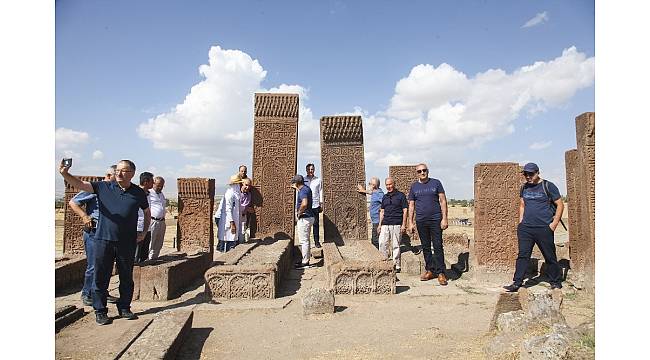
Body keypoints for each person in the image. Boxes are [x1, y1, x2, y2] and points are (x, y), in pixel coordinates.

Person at [59, 159, 150, 325]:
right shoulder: (103, 187)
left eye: (124, 171)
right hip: (103, 239)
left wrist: (144, 232)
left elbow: (146, 212)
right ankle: (100, 311)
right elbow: (80, 184)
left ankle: (124, 307)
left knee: (126, 277)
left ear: (132, 173)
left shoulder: (138, 192)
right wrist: (65, 173)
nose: (119, 173)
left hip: (126, 242)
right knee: (101, 276)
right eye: (118, 171)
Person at [504, 163, 565, 292]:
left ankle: (555, 281)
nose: (528, 176)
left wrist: (554, 224)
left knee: (549, 256)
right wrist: (521, 222)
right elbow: (522, 204)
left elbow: (560, 204)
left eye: (531, 174)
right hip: (526, 228)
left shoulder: (548, 186)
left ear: (538, 173)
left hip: (544, 227)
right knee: (523, 255)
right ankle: (517, 282)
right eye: (525, 174)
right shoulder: (524, 187)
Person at [68, 165, 118, 306]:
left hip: (107, 232)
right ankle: (87, 293)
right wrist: (84, 215)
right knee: (94, 264)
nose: (109, 178)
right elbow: (73, 202)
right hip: (94, 231)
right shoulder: (96, 188)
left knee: (107, 264)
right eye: (110, 176)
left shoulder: (115, 191)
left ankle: (102, 292)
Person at [408, 163, 449, 286]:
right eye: (419, 171)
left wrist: (445, 218)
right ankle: (430, 270)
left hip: (435, 219)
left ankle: (441, 272)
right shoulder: (414, 186)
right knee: (425, 246)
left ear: (428, 171)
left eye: (424, 170)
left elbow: (443, 200)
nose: (422, 173)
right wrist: (410, 222)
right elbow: (411, 205)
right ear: (417, 173)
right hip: (421, 220)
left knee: (437, 245)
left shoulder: (436, 183)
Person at [377, 177, 408, 273]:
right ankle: (384, 262)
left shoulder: (401, 196)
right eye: (387, 185)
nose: (388, 186)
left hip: (396, 223)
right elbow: (382, 211)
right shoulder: (385, 197)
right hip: (385, 223)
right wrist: (379, 224)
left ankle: (396, 264)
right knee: (382, 243)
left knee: (396, 245)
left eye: (390, 184)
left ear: (394, 184)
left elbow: (405, 210)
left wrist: (404, 224)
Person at [292, 175, 315, 269]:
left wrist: (299, 212)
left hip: (304, 218)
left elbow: (304, 203)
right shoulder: (306, 189)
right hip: (309, 217)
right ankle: (305, 259)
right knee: (306, 240)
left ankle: (305, 263)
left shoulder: (303, 192)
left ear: (297, 183)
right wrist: (297, 189)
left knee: (304, 241)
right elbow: (303, 194)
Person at [217, 174, 243, 252]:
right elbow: (228, 209)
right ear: (235, 184)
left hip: (234, 220)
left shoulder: (236, 194)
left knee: (232, 241)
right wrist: (232, 223)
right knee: (228, 241)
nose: (240, 185)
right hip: (230, 222)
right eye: (239, 183)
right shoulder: (230, 194)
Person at [357, 177, 384, 249]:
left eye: (369, 184)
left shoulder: (379, 194)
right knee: (375, 239)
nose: (368, 185)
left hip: (378, 221)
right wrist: (363, 190)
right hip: (375, 220)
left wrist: (381, 210)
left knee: (375, 240)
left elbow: (385, 204)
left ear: (374, 185)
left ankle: (379, 256)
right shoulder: (376, 192)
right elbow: (371, 192)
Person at [134, 172, 154, 263]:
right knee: (136, 254)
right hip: (138, 227)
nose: (153, 183)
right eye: (152, 181)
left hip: (147, 228)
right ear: (146, 182)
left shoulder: (148, 194)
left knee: (144, 254)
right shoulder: (135, 193)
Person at [303, 163, 323, 248]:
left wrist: (321, 203)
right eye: (309, 169)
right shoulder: (303, 180)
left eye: (312, 169)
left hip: (315, 205)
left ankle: (316, 242)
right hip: (306, 205)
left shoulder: (318, 180)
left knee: (315, 224)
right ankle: (306, 243)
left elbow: (321, 191)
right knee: (306, 225)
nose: (310, 171)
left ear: (314, 170)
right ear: (306, 170)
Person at [147, 176, 166, 260]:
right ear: (153, 183)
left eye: (162, 186)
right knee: (151, 241)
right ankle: (146, 259)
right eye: (158, 185)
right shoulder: (149, 193)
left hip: (162, 221)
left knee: (159, 242)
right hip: (153, 220)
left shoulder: (161, 194)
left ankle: (154, 259)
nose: (160, 187)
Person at [239, 177, 254, 243]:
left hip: (243, 216)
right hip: (237, 216)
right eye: (246, 185)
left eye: (249, 186)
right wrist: (246, 208)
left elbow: (247, 205)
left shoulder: (249, 195)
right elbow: (237, 206)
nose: (247, 187)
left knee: (242, 232)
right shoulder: (238, 194)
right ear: (242, 184)